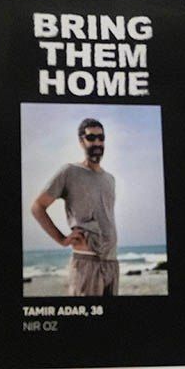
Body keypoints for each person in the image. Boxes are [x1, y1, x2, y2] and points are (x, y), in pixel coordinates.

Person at [30, 118, 119, 296]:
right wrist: (62, 239)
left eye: (101, 138)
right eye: (91, 138)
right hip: (86, 263)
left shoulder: (110, 179)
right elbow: (37, 206)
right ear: (81, 141)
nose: (97, 143)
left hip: (111, 263)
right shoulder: (70, 172)